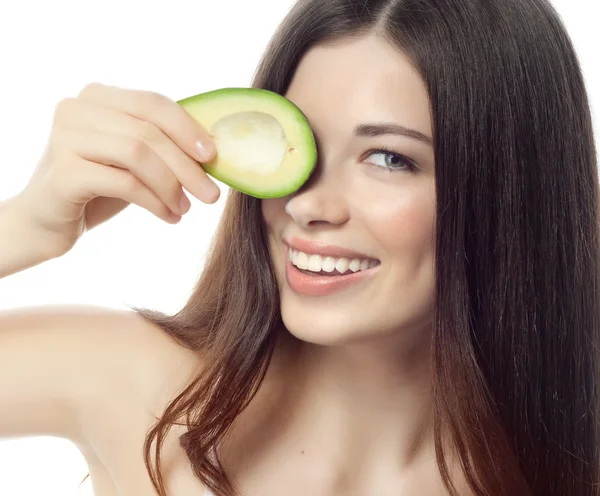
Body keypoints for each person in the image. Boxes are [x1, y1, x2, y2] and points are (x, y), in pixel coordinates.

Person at [0, 0, 598, 495]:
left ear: (513, 190)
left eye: (389, 158)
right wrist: (25, 227)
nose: (309, 205)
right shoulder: (138, 387)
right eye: (299, 144)